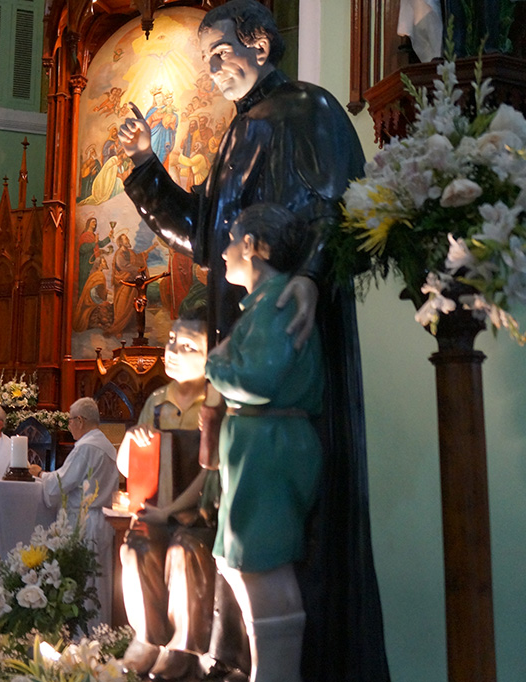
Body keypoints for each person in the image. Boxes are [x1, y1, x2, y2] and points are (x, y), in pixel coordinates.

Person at [116, 2, 389, 680]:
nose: (213, 71)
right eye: (205, 60)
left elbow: (341, 208)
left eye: (221, 54)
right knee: (240, 550)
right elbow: (204, 236)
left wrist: (313, 275)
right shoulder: (239, 132)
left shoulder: (309, 110)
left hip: (295, 339)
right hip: (244, 341)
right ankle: (239, 661)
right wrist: (145, 166)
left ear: (261, 44)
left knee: (291, 545)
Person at [206, 204, 324, 682]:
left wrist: (215, 364)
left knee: (262, 563)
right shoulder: (262, 303)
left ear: (252, 245)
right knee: (240, 561)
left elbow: (259, 379)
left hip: (270, 448)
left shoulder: (278, 302)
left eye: (232, 241)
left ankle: (277, 673)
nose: (225, 252)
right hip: (256, 445)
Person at [118, 312, 235, 681]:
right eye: (171, 341)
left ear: (209, 357)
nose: (173, 351)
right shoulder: (156, 401)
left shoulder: (214, 403)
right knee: (136, 545)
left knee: (185, 550)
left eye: (188, 347)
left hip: (201, 512)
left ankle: (184, 646)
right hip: (159, 508)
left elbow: (211, 472)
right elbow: (128, 466)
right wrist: (131, 441)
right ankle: (147, 637)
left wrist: (171, 511)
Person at [28, 397, 119, 625]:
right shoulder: (106, 445)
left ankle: (84, 636)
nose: (68, 426)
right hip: (101, 520)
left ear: (80, 420)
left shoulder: (87, 447)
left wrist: (39, 473)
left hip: (85, 521)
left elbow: (60, 483)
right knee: (98, 582)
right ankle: (99, 631)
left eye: (69, 421)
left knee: (85, 582)